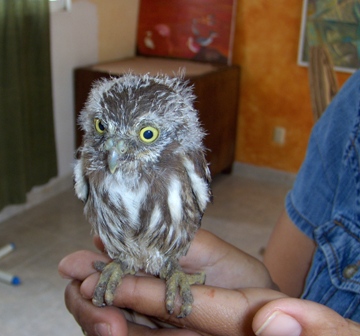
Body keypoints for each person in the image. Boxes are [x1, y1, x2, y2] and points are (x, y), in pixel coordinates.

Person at [59, 69, 360, 336]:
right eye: (102, 129)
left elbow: (187, 222)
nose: (113, 151)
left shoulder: (184, 164)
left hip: (170, 251)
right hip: (124, 251)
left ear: (175, 134)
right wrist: (266, 293)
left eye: (147, 134)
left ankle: (169, 267)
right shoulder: (91, 162)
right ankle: (125, 261)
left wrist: (171, 265)